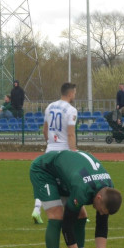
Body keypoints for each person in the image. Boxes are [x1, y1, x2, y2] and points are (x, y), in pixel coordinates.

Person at [29, 150, 122, 248]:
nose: (100, 213)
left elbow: (102, 223)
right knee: (57, 216)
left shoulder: (108, 188)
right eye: (101, 210)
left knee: (81, 216)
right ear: (98, 198)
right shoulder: (82, 189)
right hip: (45, 171)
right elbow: (67, 225)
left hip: (67, 176)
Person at [31, 82, 79, 224]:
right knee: (67, 182)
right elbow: (71, 134)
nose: (75, 95)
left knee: (46, 181)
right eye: (75, 93)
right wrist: (73, 151)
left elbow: (45, 130)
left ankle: (37, 209)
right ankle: (76, 212)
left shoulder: (50, 106)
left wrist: (50, 143)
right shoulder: (71, 110)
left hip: (50, 149)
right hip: (63, 151)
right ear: (70, 94)